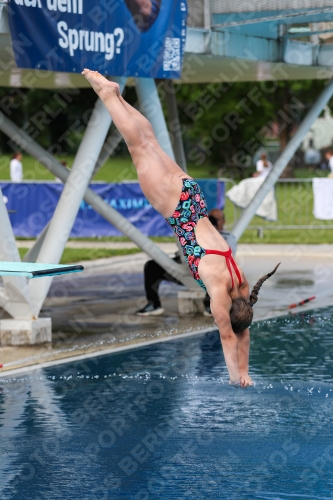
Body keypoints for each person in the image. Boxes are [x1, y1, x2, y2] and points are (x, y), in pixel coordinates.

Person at [82, 69, 280, 388]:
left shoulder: (242, 287)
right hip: (176, 208)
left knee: (150, 144)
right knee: (138, 147)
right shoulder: (218, 290)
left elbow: (242, 333)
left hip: (191, 196)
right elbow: (229, 337)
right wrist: (234, 377)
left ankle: (117, 95)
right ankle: (108, 96)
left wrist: (247, 372)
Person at [136, 208, 235, 317]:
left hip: (207, 273)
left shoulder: (228, 238)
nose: (211, 222)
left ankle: (210, 304)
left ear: (223, 221)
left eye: (215, 219)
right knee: (152, 266)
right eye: (209, 218)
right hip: (183, 269)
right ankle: (154, 304)